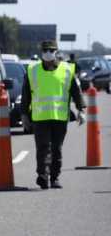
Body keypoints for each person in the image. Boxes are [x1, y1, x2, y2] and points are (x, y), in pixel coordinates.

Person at [21, 40, 85, 189]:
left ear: (56, 52)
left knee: (56, 148)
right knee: (43, 147)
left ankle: (55, 177)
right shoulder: (32, 70)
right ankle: (43, 176)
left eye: (51, 50)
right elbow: (26, 95)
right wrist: (24, 115)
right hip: (40, 117)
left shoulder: (67, 70)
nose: (48, 53)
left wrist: (81, 110)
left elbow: (76, 91)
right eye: (45, 50)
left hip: (60, 117)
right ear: (41, 52)